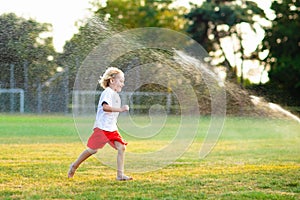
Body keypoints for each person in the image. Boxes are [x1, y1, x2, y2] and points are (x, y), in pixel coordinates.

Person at [68, 67, 133, 181]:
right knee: (93, 150)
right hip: (102, 128)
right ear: (112, 81)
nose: (122, 84)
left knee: (121, 148)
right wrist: (121, 109)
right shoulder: (107, 92)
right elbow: (105, 107)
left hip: (112, 129)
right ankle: (74, 166)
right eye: (121, 81)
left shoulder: (115, 95)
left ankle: (120, 175)